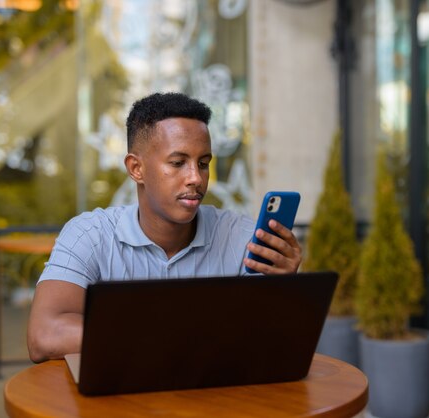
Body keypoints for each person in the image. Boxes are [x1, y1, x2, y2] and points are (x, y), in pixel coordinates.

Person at [27, 92, 302, 363]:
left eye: (203, 163)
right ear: (136, 168)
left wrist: (284, 291)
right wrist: (167, 332)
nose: (196, 178)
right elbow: (44, 335)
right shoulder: (89, 235)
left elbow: (265, 342)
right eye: (178, 163)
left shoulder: (245, 239)